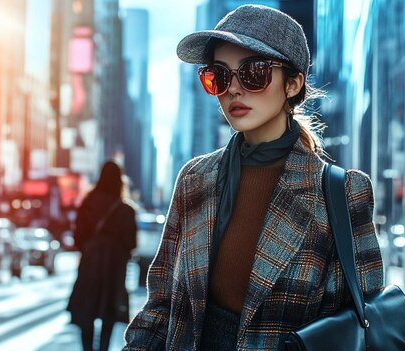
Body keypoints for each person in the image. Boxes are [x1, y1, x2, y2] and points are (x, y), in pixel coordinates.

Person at [124, 4, 383, 350]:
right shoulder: (195, 179)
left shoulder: (342, 191)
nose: (233, 89)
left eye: (254, 72)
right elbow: (161, 305)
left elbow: (360, 320)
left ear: (293, 84)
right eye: (218, 75)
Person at [68, 160, 137, 351]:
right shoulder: (126, 210)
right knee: (109, 313)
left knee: (86, 313)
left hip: (90, 267)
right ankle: (104, 348)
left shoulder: (88, 204)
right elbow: (132, 244)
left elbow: (77, 237)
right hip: (114, 270)